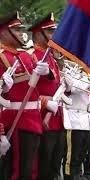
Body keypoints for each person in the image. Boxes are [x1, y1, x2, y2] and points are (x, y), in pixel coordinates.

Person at [0, 11, 50, 180]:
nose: (21, 33)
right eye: (16, 30)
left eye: (21, 29)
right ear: (4, 32)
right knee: (18, 172)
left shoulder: (24, 56)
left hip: (33, 120)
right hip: (16, 121)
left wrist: (47, 71)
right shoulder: (1, 57)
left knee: (30, 171)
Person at [28, 13, 66, 180]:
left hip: (57, 118)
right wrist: (44, 103)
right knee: (43, 165)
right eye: (50, 31)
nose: (55, 35)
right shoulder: (31, 56)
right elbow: (26, 92)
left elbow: (55, 86)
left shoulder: (50, 56)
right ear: (38, 33)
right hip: (42, 117)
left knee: (55, 165)